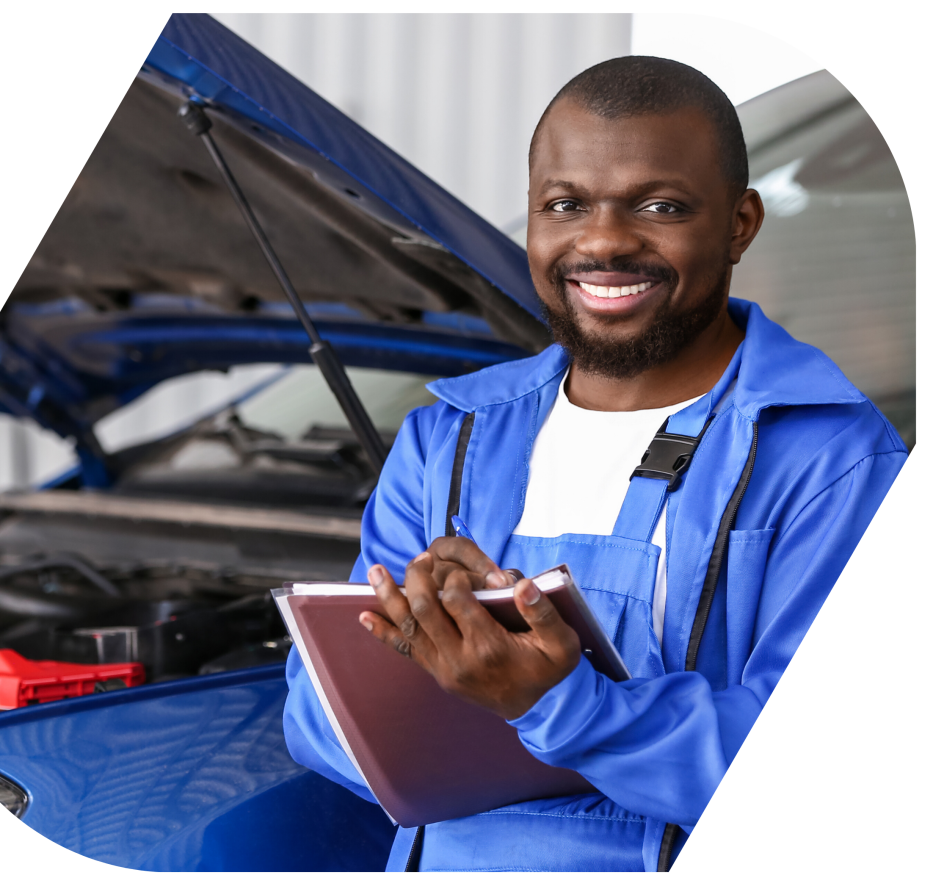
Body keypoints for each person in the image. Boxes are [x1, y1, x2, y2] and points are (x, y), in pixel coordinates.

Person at [282, 56, 909, 873]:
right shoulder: (448, 438)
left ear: (740, 224)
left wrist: (555, 703)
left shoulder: (833, 461)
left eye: (661, 205)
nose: (605, 240)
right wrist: (407, 652)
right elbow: (313, 719)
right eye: (565, 204)